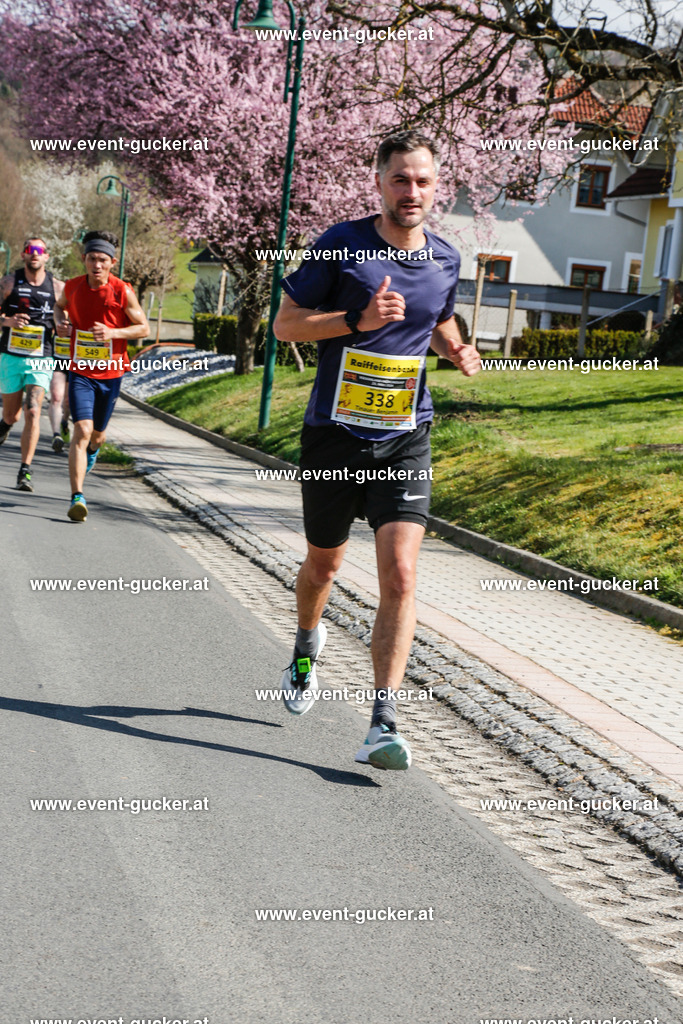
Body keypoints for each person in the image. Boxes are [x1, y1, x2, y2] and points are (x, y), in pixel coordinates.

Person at [273, 130, 480, 771]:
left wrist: (456, 349)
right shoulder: (340, 245)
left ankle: (381, 721)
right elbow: (285, 324)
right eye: (399, 179)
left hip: (404, 435)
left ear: (435, 185)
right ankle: (308, 640)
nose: (411, 191)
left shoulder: (445, 258)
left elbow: (436, 315)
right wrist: (356, 320)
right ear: (379, 182)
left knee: (401, 573)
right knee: (324, 567)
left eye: (421, 180)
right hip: (334, 436)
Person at [53, 230, 149, 521]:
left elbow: (143, 328)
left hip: (111, 374)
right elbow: (59, 308)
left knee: (98, 435)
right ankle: (77, 497)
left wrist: (113, 333)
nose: (97, 265)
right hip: (80, 371)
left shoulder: (123, 291)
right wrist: (61, 322)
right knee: (81, 430)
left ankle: (93, 451)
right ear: (83, 259)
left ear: (112, 262)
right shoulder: (71, 287)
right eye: (92, 259)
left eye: (103, 260)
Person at [0, 238, 64, 491]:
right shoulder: (8, 283)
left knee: (33, 410)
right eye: (29, 250)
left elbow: (66, 318)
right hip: (11, 357)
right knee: (12, 415)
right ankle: (4, 425)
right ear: (23, 255)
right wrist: (8, 322)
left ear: (47, 256)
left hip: (42, 357)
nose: (34, 254)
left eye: (39, 250)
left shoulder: (58, 288)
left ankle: (25, 470)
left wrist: (65, 327)